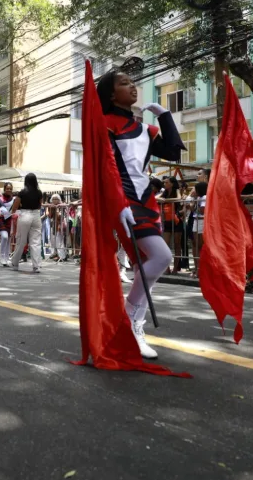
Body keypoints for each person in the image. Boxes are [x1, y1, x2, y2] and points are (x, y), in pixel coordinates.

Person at [95, 68, 184, 358]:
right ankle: (128, 317)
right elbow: (106, 166)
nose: (133, 87)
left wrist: (165, 116)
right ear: (111, 94)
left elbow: (173, 153)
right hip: (123, 201)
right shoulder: (104, 124)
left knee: (144, 266)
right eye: (124, 83)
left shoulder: (146, 128)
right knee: (162, 257)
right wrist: (118, 203)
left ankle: (134, 328)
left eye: (133, 83)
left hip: (147, 201)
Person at [10, 173, 43, 272]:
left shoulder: (22, 192)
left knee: (21, 240)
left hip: (25, 214)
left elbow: (15, 206)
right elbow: (39, 205)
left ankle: (15, 263)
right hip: (36, 215)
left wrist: (14, 212)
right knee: (36, 242)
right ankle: (36, 266)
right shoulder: (39, 192)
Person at [160, 176, 185, 274]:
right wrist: (162, 198)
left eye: (166, 182)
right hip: (167, 221)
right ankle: (167, 268)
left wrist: (165, 200)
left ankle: (175, 268)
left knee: (177, 245)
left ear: (172, 183)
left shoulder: (176, 190)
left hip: (176, 221)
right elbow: (155, 198)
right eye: (164, 182)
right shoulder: (165, 192)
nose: (165, 184)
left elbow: (178, 199)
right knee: (165, 245)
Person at [0, 183, 15, 266]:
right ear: (4, 189)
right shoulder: (0, 198)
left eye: (10, 189)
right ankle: (1, 257)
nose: (9, 190)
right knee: (4, 237)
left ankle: (6, 258)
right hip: (2, 220)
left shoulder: (13, 199)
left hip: (10, 220)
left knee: (8, 240)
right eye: (7, 188)